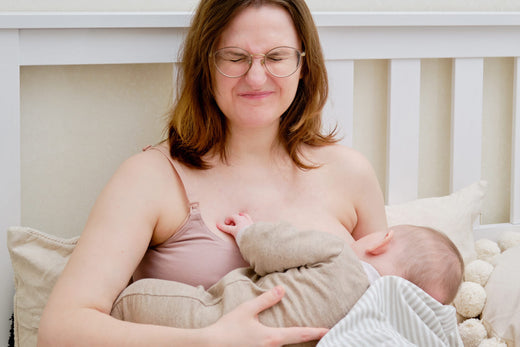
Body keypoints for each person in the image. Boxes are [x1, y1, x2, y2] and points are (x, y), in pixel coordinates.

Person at [37, 0, 387, 346]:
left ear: (303, 66)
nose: (256, 76)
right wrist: (206, 340)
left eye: (277, 57)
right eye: (235, 57)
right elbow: (60, 330)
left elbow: (394, 306)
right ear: (206, 66)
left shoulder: (350, 173)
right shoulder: (150, 178)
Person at [111, 213, 464, 337]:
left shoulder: (341, 254)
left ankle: (121, 309)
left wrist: (248, 232)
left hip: (229, 312)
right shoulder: (373, 318)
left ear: (381, 242)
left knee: (142, 301)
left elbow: (279, 248)